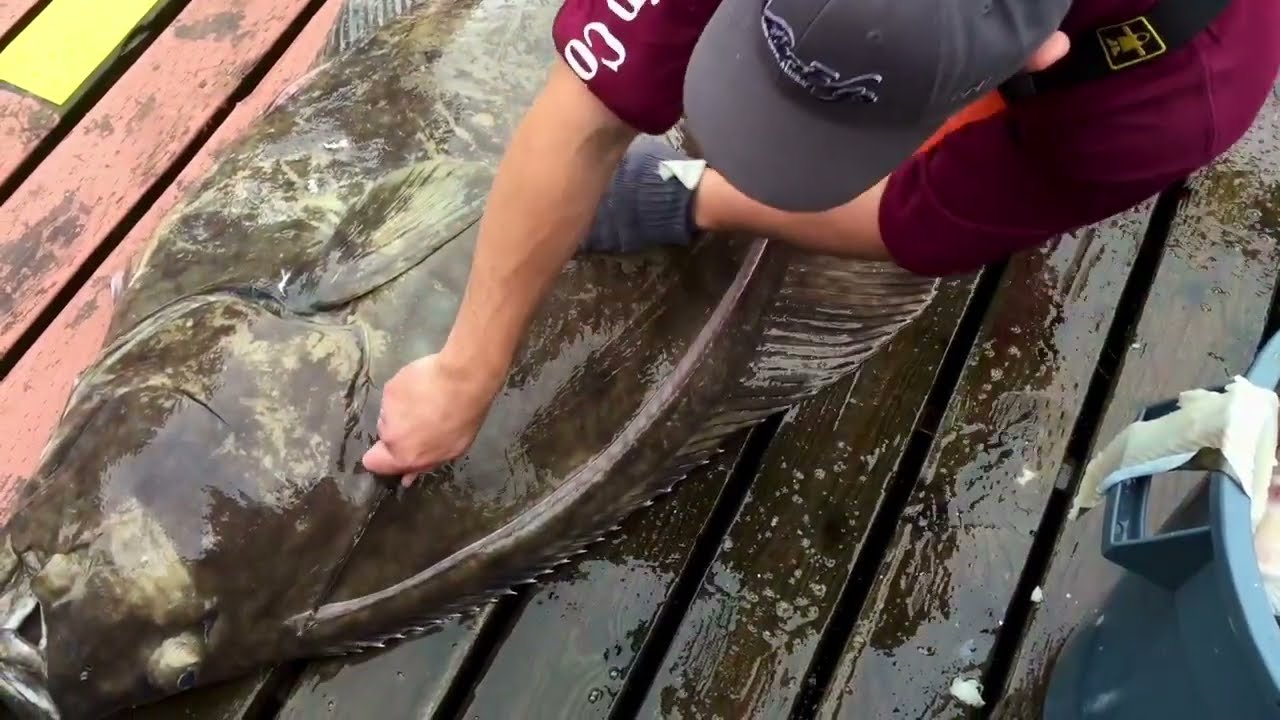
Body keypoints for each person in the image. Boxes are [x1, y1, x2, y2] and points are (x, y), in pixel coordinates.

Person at [361, 0, 1280, 483]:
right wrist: (465, 369)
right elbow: (590, 106)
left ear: (1031, 56)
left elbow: (918, 215)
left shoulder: (1167, 103)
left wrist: (697, 196)